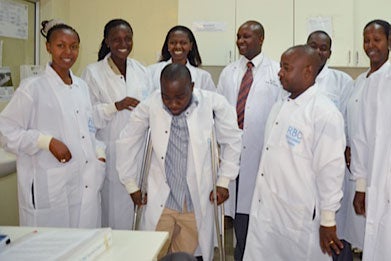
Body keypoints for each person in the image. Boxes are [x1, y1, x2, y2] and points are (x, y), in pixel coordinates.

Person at [116, 63, 242, 260]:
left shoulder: (214, 104)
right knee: (153, 254)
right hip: (162, 200)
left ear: (191, 87)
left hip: (194, 202)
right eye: (166, 97)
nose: (172, 104)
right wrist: (131, 184)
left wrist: (224, 181)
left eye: (179, 98)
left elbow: (232, 141)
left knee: (184, 257)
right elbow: (127, 141)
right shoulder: (150, 105)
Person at [244, 45, 346, 261]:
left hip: (298, 219)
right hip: (268, 211)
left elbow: (330, 171)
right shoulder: (281, 104)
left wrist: (328, 220)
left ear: (308, 71)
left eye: (286, 68)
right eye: (281, 66)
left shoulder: (324, 113)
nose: (280, 72)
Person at [0, 19, 106, 228]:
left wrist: (100, 155)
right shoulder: (33, 88)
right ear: (48, 47)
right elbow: (6, 130)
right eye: (61, 45)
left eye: (73, 46)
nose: (68, 52)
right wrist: (45, 142)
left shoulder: (81, 87)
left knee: (83, 246)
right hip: (49, 185)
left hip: (84, 183)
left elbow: (90, 129)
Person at [216, 20, 282, 260]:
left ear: (261, 39)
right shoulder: (229, 72)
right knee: (237, 219)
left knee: (258, 221)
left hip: (262, 157)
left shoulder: (277, 71)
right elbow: (220, 114)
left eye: (247, 37)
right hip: (232, 154)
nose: (241, 41)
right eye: (239, 37)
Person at [81, 19, 152, 230]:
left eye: (127, 38)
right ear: (107, 42)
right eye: (117, 39)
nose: (123, 43)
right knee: (113, 215)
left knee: (140, 215)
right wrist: (115, 106)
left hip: (139, 152)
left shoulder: (142, 70)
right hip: (110, 152)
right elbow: (87, 116)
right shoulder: (93, 72)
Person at [307, 30, 356, 261]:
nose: (318, 51)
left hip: (333, 163)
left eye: (323, 47)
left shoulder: (342, 81)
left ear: (330, 52)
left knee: (334, 225)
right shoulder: (297, 76)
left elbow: (349, 121)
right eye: (313, 45)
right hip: (304, 164)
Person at [350, 19, 391, 261]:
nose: (370, 45)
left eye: (377, 40)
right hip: (371, 174)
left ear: (389, 42)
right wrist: (361, 186)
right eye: (367, 40)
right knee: (376, 241)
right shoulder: (364, 81)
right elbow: (361, 136)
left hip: (384, 171)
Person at [147, 25, 216, 92]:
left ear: (190, 46)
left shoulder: (203, 77)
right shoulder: (151, 71)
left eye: (183, 43)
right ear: (167, 45)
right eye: (173, 43)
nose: (178, 46)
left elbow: (213, 101)